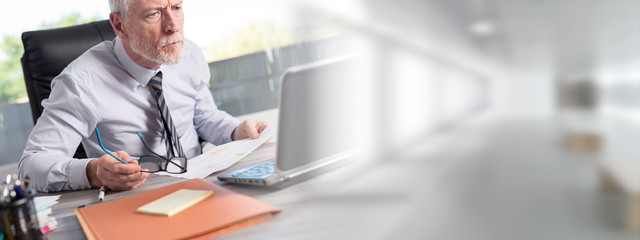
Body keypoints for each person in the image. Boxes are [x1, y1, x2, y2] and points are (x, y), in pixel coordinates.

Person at [19, 0, 268, 192]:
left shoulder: (188, 53)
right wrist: (93, 172)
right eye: (154, 13)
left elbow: (203, 117)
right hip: (139, 196)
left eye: (177, 7)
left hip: (205, 182)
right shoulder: (80, 83)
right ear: (119, 25)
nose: (173, 25)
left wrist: (236, 130)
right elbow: (30, 167)